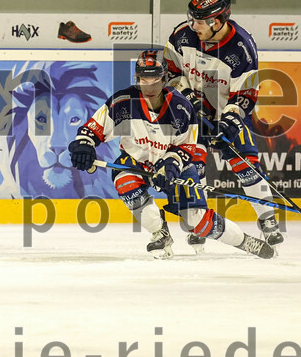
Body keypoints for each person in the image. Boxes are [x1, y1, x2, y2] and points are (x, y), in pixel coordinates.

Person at [68, 50, 275, 260]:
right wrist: (84, 146)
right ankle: (160, 232)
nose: (149, 86)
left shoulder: (181, 108)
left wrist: (170, 165)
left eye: (155, 79)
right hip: (137, 162)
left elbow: (188, 149)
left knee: (196, 221)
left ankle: (245, 241)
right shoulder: (122, 103)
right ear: (136, 78)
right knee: (125, 181)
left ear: (165, 78)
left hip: (178, 167)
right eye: (143, 79)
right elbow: (92, 129)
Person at [163, 0, 284, 253]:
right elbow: (169, 73)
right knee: (194, 167)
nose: (192, 26)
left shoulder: (242, 47)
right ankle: (202, 221)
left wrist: (228, 119)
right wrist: (185, 96)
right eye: (192, 19)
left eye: (198, 21)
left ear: (216, 22)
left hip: (228, 113)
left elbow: (246, 94)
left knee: (246, 167)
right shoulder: (182, 35)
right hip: (192, 116)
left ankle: (267, 220)